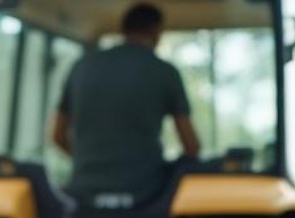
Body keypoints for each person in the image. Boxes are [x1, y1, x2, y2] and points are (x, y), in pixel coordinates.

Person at [52, 2, 202, 207]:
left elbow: (57, 136)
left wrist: (89, 164)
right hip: (147, 194)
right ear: (156, 32)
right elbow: (192, 147)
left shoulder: (81, 67)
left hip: (83, 193)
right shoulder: (165, 72)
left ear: (123, 30)